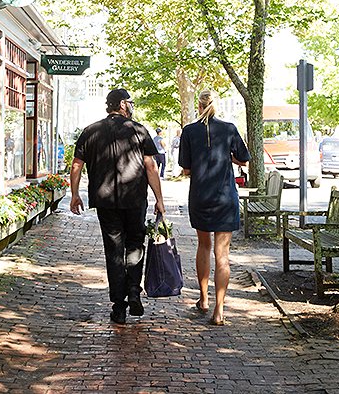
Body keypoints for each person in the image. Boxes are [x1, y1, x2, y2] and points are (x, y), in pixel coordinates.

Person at [70, 88, 165, 325]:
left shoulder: (90, 131)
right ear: (122, 104)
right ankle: (133, 290)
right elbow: (151, 167)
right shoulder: (139, 130)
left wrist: (74, 195)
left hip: (105, 200)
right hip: (135, 199)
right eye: (130, 102)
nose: (132, 106)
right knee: (135, 244)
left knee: (114, 250)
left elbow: (76, 165)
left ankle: (119, 306)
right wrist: (159, 199)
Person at [179, 89, 250, 326]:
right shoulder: (229, 129)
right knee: (223, 255)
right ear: (215, 106)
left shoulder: (189, 131)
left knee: (203, 245)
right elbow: (244, 158)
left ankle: (203, 298)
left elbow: (186, 168)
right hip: (225, 198)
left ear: (198, 107)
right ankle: (219, 310)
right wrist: (228, 158)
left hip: (200, 196)